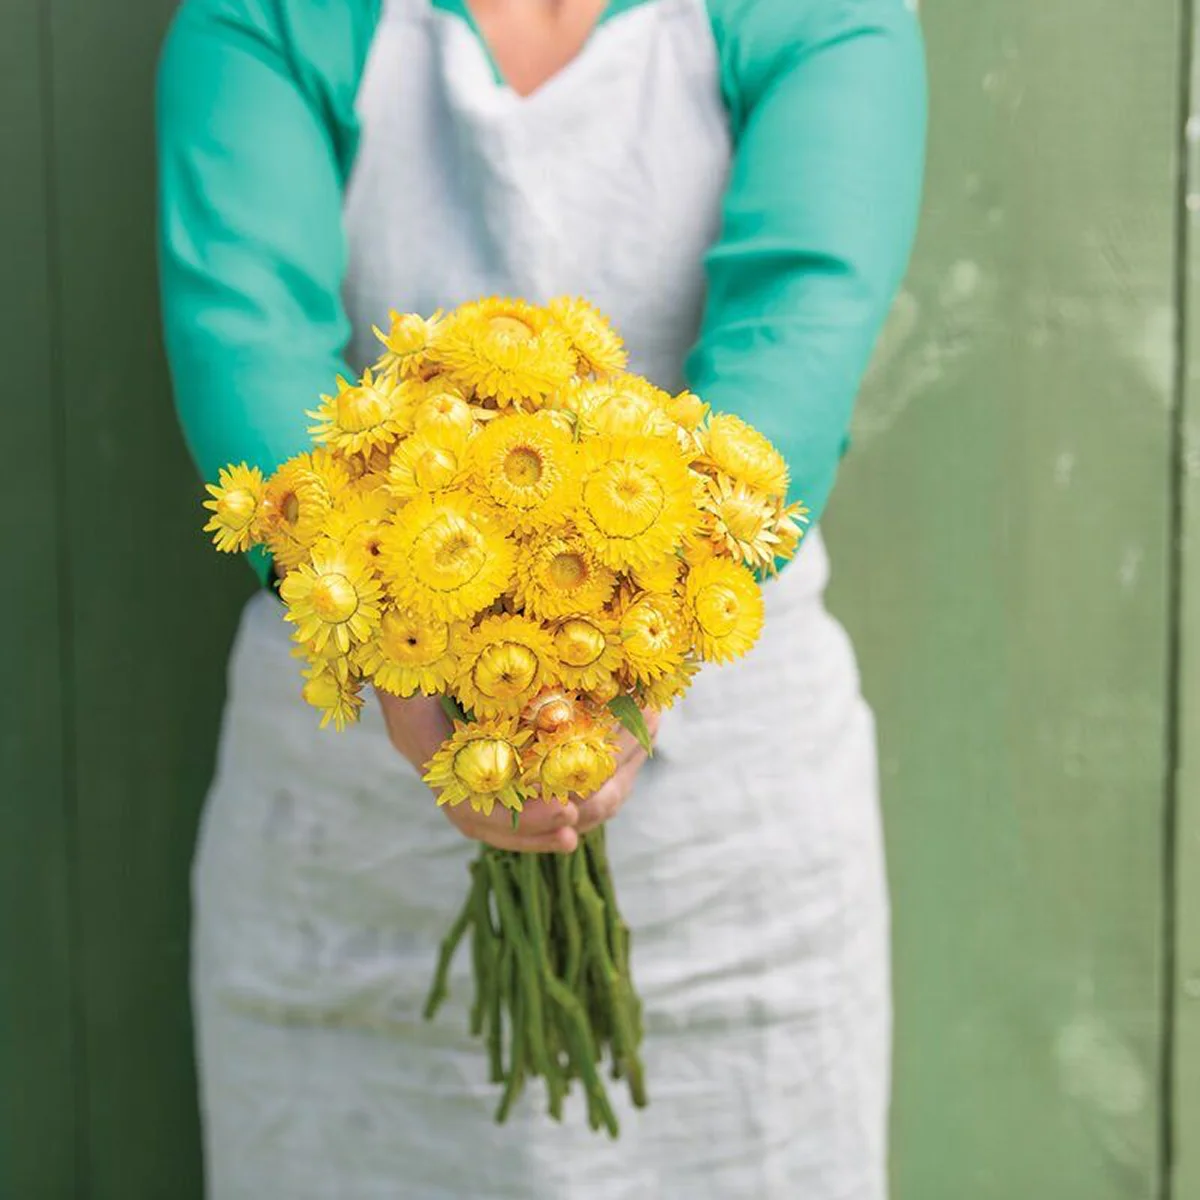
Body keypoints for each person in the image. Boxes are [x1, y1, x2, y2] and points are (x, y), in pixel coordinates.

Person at [156, 0, 926, 1195]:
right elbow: (243, 332)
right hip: (347, 822)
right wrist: (406, 646)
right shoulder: (267, 18)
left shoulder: (821, 17)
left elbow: (797, 337)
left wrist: (624, 654)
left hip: (725, 840)